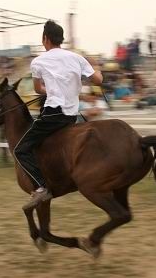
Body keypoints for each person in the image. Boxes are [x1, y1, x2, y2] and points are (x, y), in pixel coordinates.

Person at [14, 20, 104, 209]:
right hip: (71, 116)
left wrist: (55, 89)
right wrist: (96, 69)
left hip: (53, 114)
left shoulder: (38, 62)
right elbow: (98, 80)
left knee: (21, 149)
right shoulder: (77, 58)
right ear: (61, 39)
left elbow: (39, 89)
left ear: (45, 39)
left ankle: (41, 187)